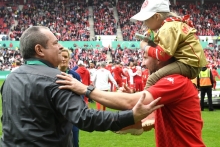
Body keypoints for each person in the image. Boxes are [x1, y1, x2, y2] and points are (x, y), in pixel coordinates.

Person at [0, 26, 163, 147]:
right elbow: (85, 118)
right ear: (39, 50)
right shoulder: (59, 79)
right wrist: (130, 116)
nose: (61, 47)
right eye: (56, 43)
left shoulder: (11, 78)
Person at [57, 40, 206, 147]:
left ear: (160, 58)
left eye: (146, 58)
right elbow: (147, 120)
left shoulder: (175, 81)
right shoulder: (171, 81)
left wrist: (85, 89)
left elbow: (130, 102)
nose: (143, 63)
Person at [131, 0, 207, 89]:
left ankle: (144, 101)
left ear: (157, 16)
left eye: (146, 20)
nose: (144, 23)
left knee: (152, 78)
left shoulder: (167, 28)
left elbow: (163, 55)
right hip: (190, 63)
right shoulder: (172, 24)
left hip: (188, 64)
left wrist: (145, 47)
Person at [58, 48, 81, 147]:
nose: (63, 59)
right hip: (56, 116)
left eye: (66, 57)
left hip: (72, 116)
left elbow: (80, 94)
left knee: (74, 142)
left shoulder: (75, 75)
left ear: (69, 59)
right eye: (61, 56)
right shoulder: (50, 74)